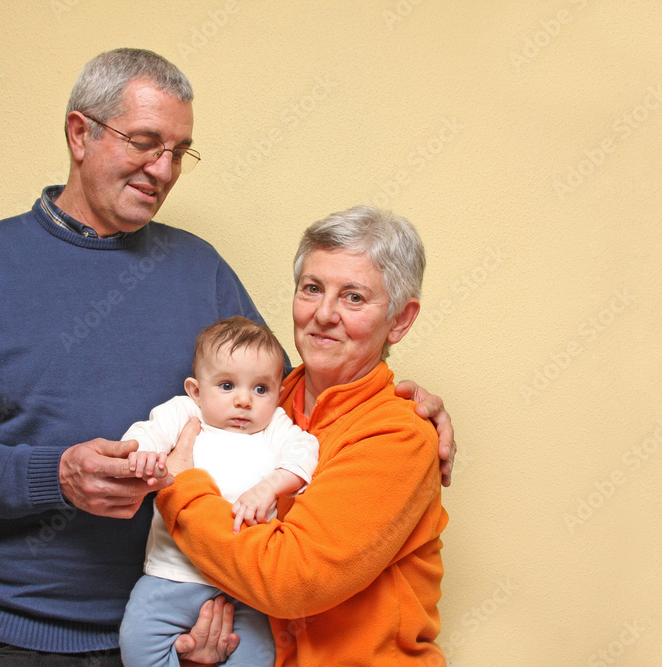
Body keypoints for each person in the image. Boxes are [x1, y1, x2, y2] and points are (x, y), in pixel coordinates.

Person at [0, 48, 455, 664]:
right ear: (81, 133)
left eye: (179, 152)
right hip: (13, 638)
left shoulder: (200, 270)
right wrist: (54, 475)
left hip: (176, 630)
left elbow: (287, 397)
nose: (163, 169)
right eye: (146, 142)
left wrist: (408, 403)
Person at [157, 205, 449, 665]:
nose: (324, 314)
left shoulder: (399, 434)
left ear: (400, 319)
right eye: (312, 289)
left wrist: (179, 489)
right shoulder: (262, 404)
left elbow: (290, 581)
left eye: (354, 297)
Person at [119, 317, 318, 666]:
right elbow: (146, 433)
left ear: (278, 394)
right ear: (196, 391)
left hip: (244, 587)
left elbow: (305, 454)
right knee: (136, 642)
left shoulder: (275, 427)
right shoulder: (184, 412)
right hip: (171, 578)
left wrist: (270, 487)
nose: (244, 401)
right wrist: (143, 455)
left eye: (260, 389)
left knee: (259, 656)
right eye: (227, 385)